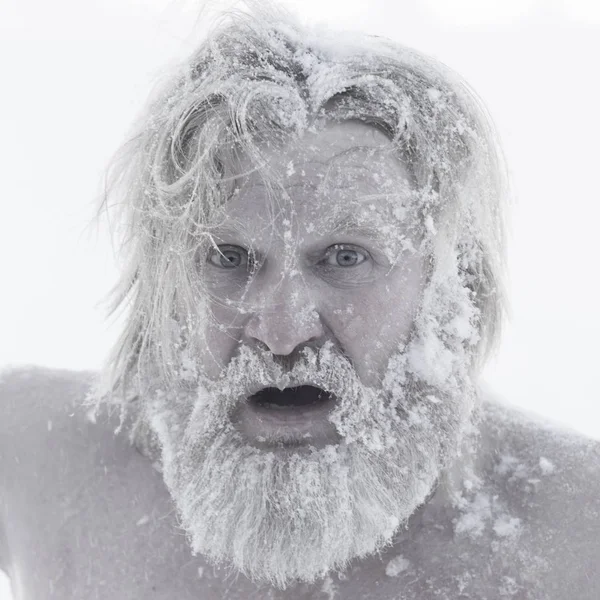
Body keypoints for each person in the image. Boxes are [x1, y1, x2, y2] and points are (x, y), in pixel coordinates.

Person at [1, 5, 599, 599]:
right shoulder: (37, 466)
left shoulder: (577, 539)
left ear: (451, 285)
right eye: (229, 257)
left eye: (345, 258)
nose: (283, 333)